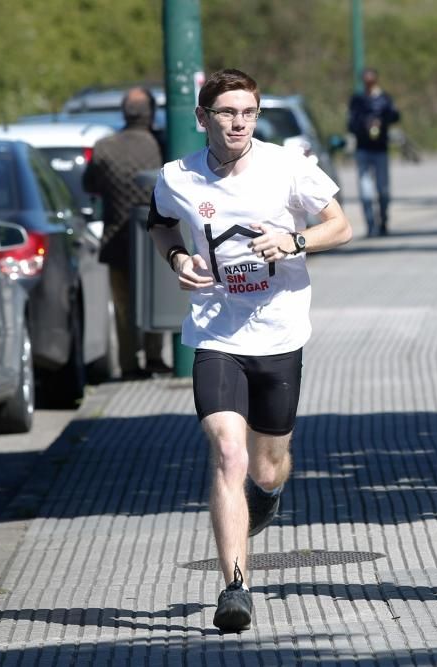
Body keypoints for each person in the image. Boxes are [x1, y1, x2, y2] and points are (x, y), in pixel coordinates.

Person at [147, 68, 353, 633]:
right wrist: (178, 260)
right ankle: (235, 586)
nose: (238, 123)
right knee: (228, 454)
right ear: (202, 119)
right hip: (215, 334)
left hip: (280, 334)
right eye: (226, 113)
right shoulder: (177, 177)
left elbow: (341, 225)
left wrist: (296, 240)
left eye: (248, 113)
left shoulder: (287, 166)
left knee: (265, 463)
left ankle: (270, 491)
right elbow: (161, 226)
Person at [82, 87, 169, 379]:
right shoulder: (161, 144)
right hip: (159, 236)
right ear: (151, 113)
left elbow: (89, 184)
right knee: (157, 294)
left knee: (123, 306)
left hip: (117, 240)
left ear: (124, 113)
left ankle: (129, 363)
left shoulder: (105, 146)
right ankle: (156, 356)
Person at [346, 67, 400, 237]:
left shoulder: (384, 99)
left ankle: (383, 220)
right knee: (366, 192)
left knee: (383, 190)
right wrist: (365, 124)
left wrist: (382, 120)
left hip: (380, 149)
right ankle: (370, 225)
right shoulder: (357, 100)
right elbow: (351, 123)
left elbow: (395, 116)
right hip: (363, 149)